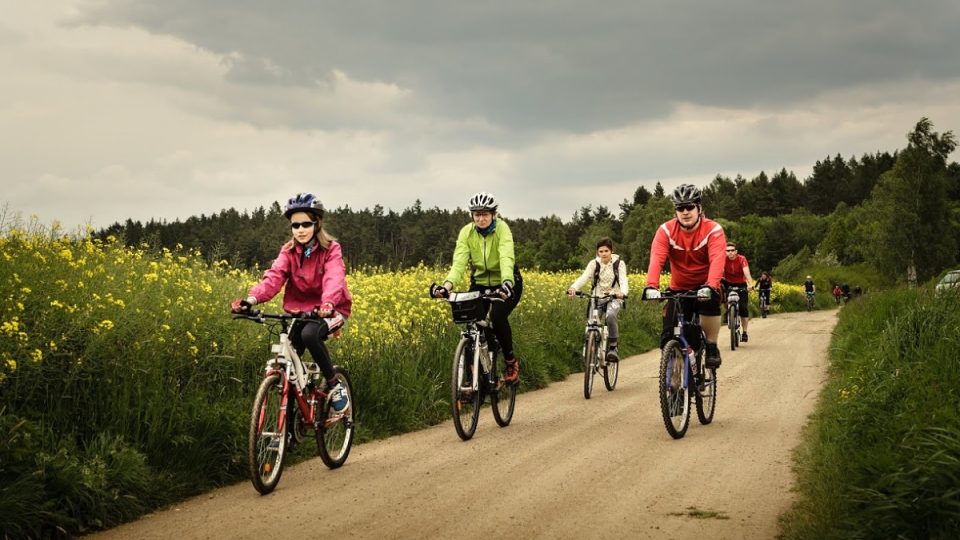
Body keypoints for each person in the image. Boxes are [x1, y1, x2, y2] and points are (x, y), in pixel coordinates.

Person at [231, 192, 353, 413]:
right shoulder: (288, 252)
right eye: (295, 225)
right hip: (300, 312)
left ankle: (335, 384)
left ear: (317, 223)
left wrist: (328, 303)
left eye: (306, 223)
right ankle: (292, 423)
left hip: (331, 310)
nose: (300, 230)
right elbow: (274, 277)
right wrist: (251, 300)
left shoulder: (331, 249)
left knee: (309, 335)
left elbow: (334, 277)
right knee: (289, 357)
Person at [431, 192, 523, 384]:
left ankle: (510, 361)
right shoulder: (467, 232)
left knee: (497, 317)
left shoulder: (502, 229)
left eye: (485, 214)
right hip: (480, 282)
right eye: (477, 215)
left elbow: (506, 256)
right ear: (472, 216)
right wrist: (446, 286)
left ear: (494, 214)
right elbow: (459, 263)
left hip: (506, 282)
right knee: (473, 323)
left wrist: (507, 282)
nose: (481, 219)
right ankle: (475, 376)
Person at [642, 184, 727, 369]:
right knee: (669, 334)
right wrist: (651, 286)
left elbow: (718, 259)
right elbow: (657, 258)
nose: (685, 212)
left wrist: (711, 285)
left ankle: (712, 346)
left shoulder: (713, 230)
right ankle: (675, 379)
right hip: (679, 288)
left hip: (706, 285)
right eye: (680, 208)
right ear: (676, 211)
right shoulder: (665, 231)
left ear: (699, 208)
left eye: (690, 207)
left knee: (710, 302)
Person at [567, 237, 629, 362]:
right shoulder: (593, 264)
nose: (604, 254)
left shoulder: (619, 264)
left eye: (606, 251)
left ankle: (613, 347)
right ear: (597, 253)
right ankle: (591, 347)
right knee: (592, 323)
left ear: (612, 251)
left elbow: (623, 280)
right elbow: (584, 277)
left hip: (614, 297)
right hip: (596, 298)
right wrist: (573, 287)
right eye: (601, 251)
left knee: (611, 316)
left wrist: (623, 292)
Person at [721, 241, 755, 342]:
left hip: (741, 284)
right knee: (722, 297)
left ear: (736, 251)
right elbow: (719, 271)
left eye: (732, 250)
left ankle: (744, 332)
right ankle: (728, 312)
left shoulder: (742, 259)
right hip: (727, 284)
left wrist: (750, 284)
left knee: (743, 308)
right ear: (725, 252)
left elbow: (746, 272)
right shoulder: (723, 259)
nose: (730, 253)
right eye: (728, 251)